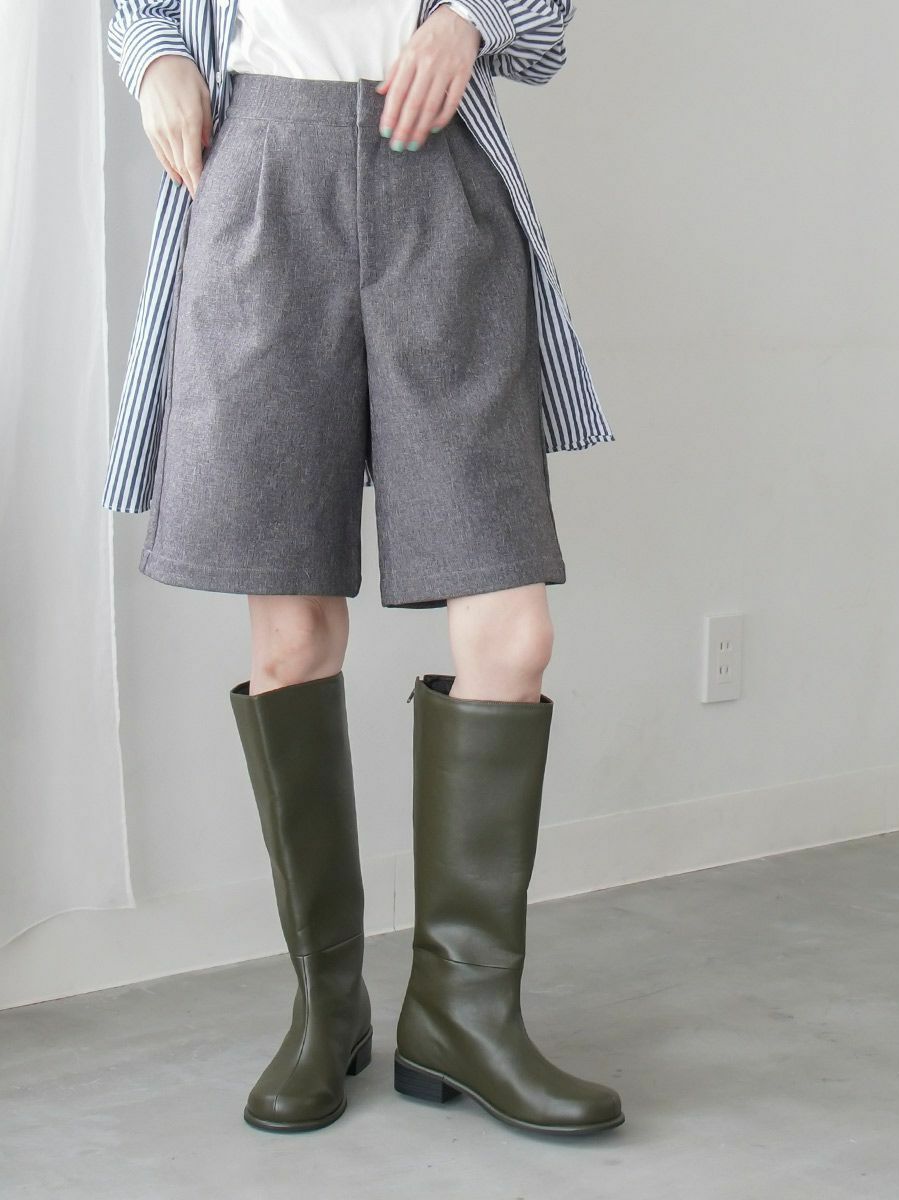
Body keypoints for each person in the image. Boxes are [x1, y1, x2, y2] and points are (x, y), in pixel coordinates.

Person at [104, 0, 622, 1137]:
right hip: (260, 177)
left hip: (435, 172)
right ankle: (326, 1006)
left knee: (513, 633)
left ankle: (464, 1015)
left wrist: (469, 21)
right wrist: (154, 61)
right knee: (292, 638)